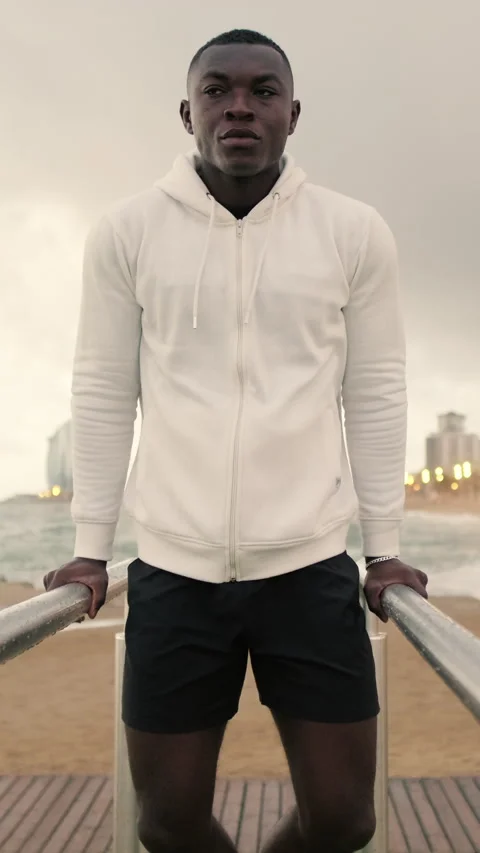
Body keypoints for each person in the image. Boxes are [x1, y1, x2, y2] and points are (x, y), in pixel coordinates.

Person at [44, 28, 428, 853]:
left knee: (345, 817)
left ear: (294, 112)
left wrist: (384, 549)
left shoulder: (354, 232)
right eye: (218, 91)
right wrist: (88, 549)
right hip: (174, 570)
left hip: (310, 565)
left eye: (262, 91)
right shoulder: (127, 232)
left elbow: (375, 390)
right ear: (188, 113)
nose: (240, 107)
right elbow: (107, 391)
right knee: (169, 820)